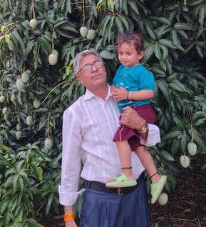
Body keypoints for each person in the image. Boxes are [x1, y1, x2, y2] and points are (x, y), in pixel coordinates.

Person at [60, 49, 162, 227]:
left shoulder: (126, 97)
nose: (94, 69)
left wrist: (140, 124)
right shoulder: (75, 113)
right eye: (87, 67)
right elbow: (70, 164)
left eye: (97, 63)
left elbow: (151, 139)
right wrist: (69, 217)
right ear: (79, 78)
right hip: (101, 199)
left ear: (105, 68)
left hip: (135, 195)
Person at [108, 32, 168, 201]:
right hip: (130, 111)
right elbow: (116, 86)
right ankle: (156, 178)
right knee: (137, 146)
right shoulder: (121, 69)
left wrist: (127, 95)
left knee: (120, 138)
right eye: (121, 53)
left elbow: (149, 92)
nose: (123, 57)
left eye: (129, 53)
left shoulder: (142, 72)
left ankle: (127, 174)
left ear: (140, 54)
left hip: (139, 110)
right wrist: (113, 91)